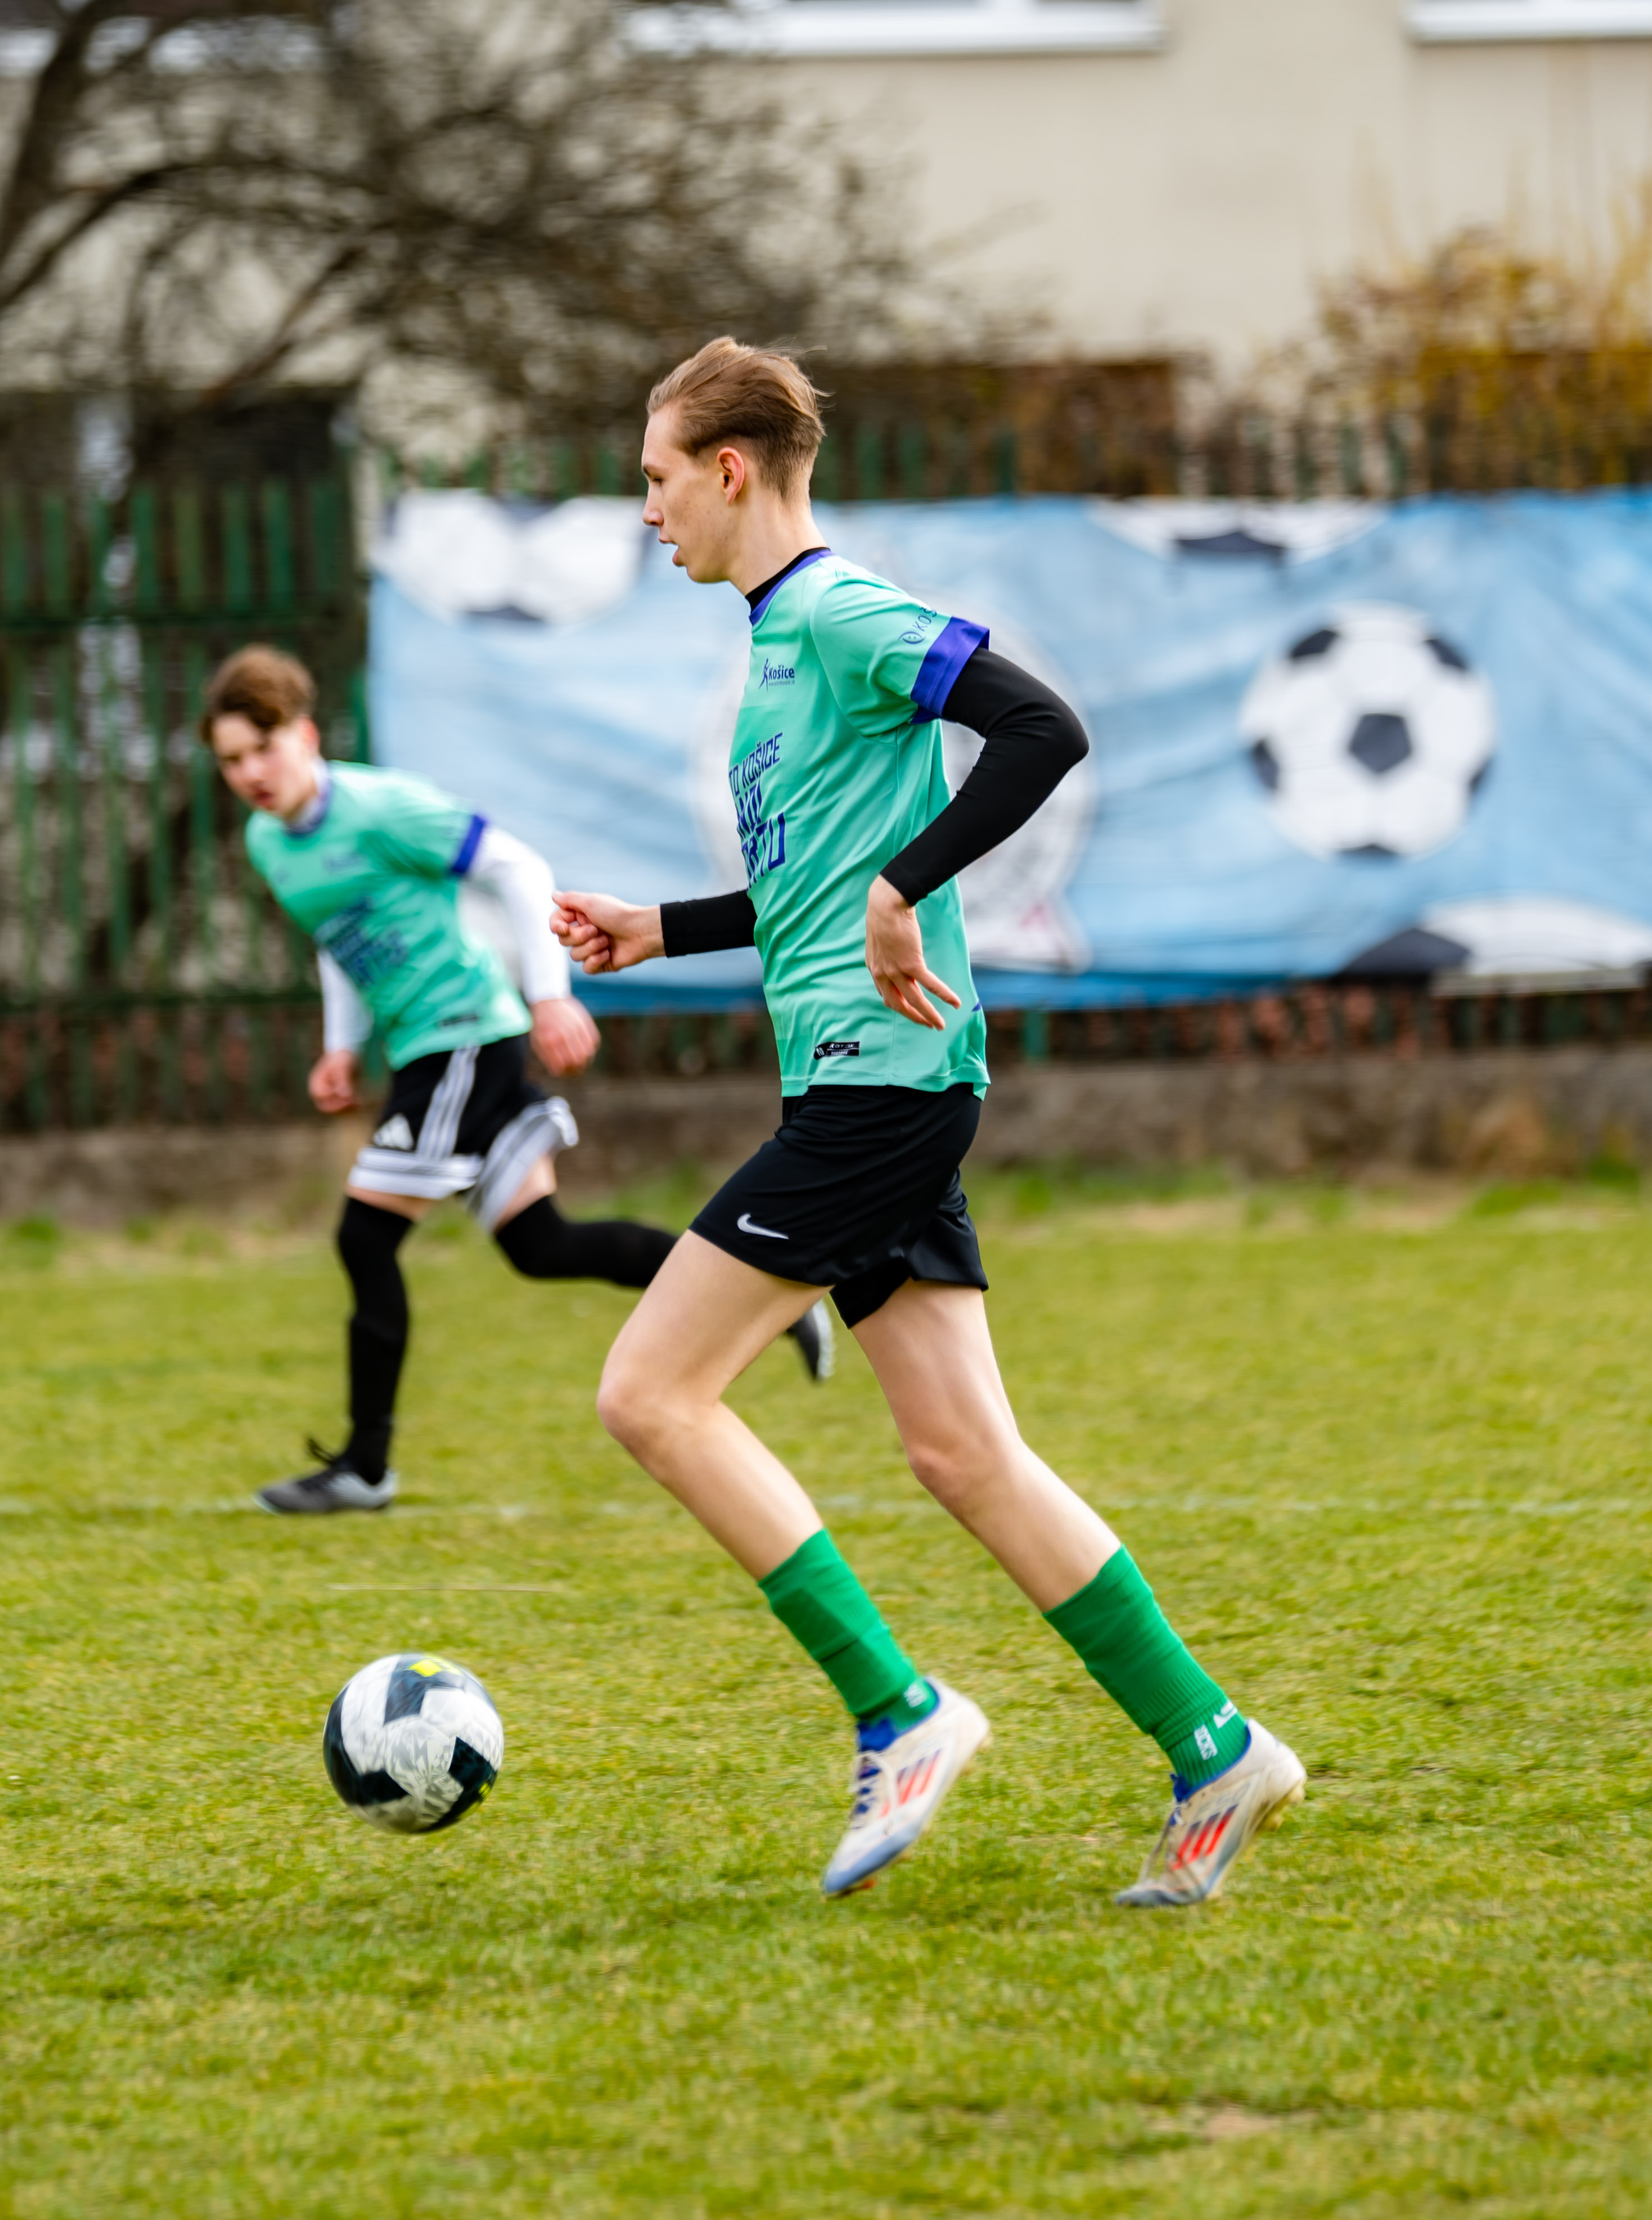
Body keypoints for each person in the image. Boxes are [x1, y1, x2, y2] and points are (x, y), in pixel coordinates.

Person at [550, 340, 1304, 1907]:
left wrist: (911, 888)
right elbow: (821, 876)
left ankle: (901, 1714)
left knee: (650, 1394)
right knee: (965, 1451)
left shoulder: (835, 610)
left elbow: (1041, 727)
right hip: (876, 1082)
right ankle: (1216, 1746)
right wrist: (661, 930)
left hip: (878, 1093)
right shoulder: (777, 641)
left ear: (733, 470)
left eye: (658, 477)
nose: (649, 512)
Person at [208, 645, 830, 1517]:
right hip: (434, 1051)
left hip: (465, 1039)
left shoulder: (382, 808)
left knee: (363, 1238)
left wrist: (549, 995)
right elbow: (338, 938)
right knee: (543, 1246)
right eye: (231, 761)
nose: (250, 774)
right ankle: (771, 1295)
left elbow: (516, 867)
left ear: (305, 735)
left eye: (262, 749)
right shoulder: (271, 843)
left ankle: (366, 1464)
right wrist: (340, 1045)